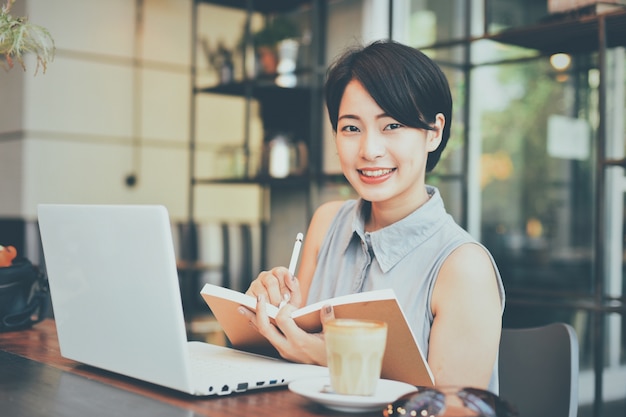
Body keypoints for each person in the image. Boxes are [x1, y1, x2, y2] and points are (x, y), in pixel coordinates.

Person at [239, 39, 505, 392]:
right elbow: (295, 348)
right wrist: (272, 312)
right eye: (351, 128)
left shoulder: (464, 267)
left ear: (434, 132)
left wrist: (328, 355)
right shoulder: (327, 222)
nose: (370, 150)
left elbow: (450, 410)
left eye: (392, 125)